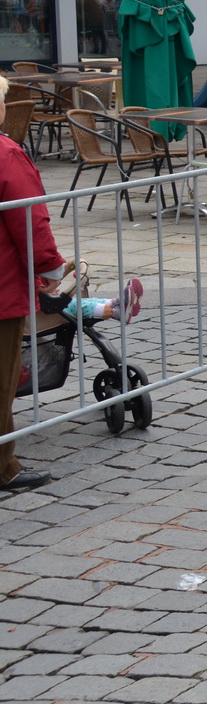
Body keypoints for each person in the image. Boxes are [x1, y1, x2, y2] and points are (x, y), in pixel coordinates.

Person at [0, 84, 67, 495]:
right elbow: (30, 221)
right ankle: (3, 466)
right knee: (0, 379)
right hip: (2, 285)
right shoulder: (6, 153)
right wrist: (51, 267)